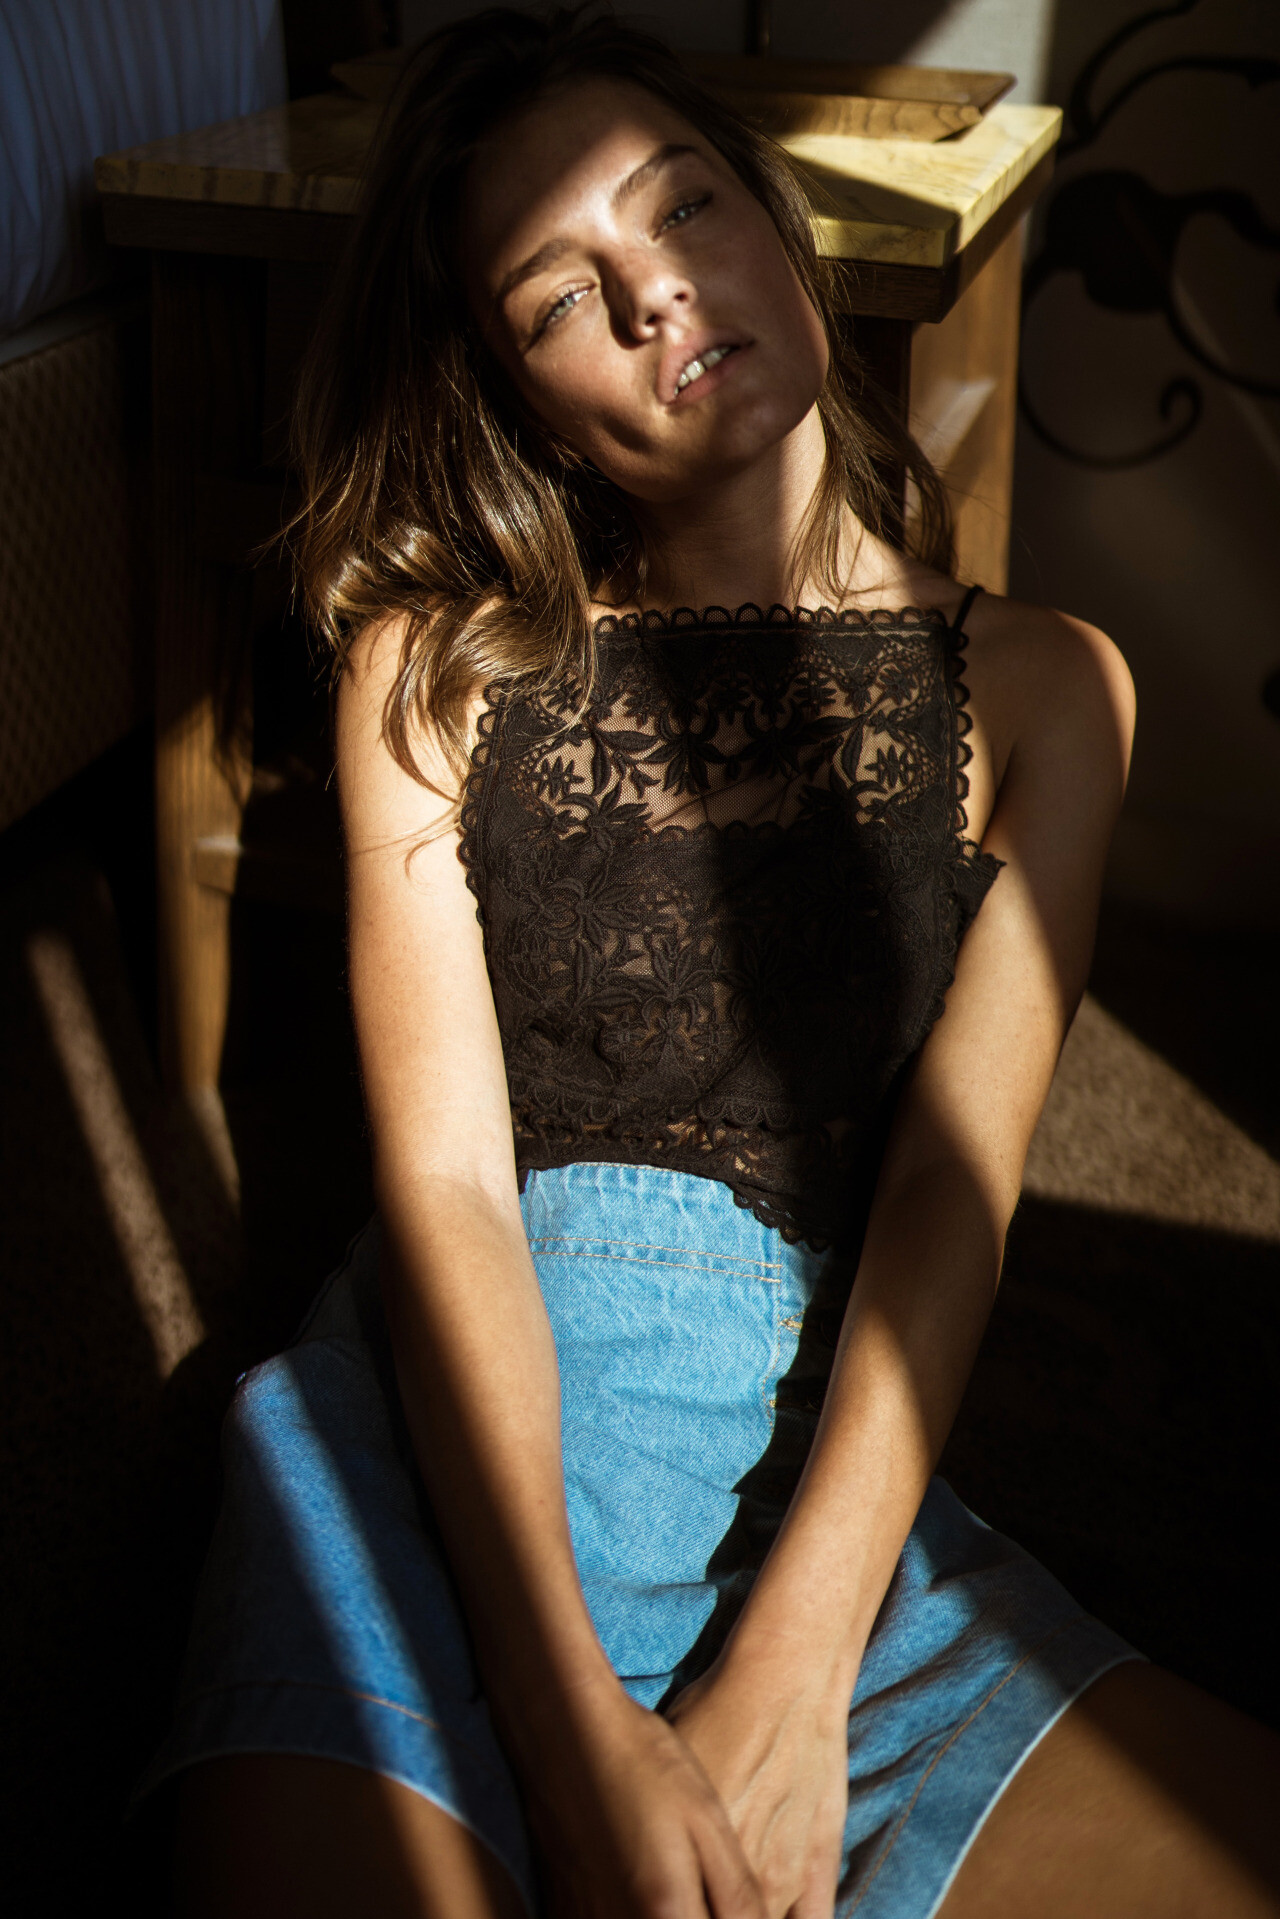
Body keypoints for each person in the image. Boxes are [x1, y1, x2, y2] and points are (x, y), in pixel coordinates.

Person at [154, 10, 1280, 1916]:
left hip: (823, 1499)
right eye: (560, 296)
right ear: (519, 396)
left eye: (682, 207)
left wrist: (798, 1670)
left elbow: (948, 1191)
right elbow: (445, 1189)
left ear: (777, 225)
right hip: (447, 1468)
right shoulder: (429, 672)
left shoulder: (1051, 689)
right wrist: (561, 1715)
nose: (655, 291)